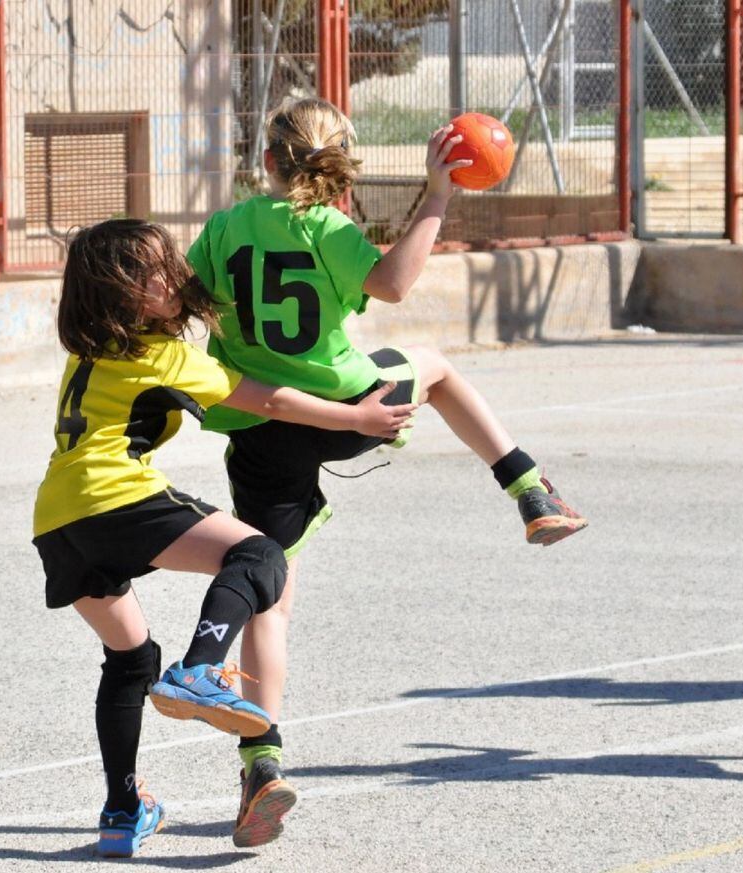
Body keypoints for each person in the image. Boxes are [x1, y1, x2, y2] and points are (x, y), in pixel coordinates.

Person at [184, 97, 588, 845]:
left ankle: (262, 763)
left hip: (263, 426)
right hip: (351, 408)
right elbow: (394, 284)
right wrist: (438, 193)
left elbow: (195, 301)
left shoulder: (229, 225)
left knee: (271, 599)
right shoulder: (331, 229)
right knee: (433, 366)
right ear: (340, 169)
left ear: (266, 161)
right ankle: (528, 487)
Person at [31, 218, 414, 857]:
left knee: (129, 663)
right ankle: (201, 670)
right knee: (260, 554)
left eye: (169, 261)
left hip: (57, 521)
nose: (174, 275)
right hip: (114, 495)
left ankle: (123, 812)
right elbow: (270, 401)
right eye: (154, 272)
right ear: (122, 294)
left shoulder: (92, 350)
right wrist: (357, 417)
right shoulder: (165, 356)